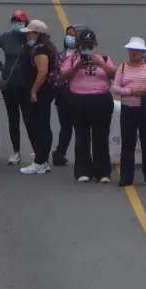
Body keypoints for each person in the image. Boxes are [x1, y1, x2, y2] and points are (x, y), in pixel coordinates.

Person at [58, 28, 116, 183]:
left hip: (101, 100)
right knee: (82, 136)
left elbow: (115, 75)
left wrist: (101, 64)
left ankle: (103, 172)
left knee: (101, 137)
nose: (87, 49)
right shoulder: (71, 60)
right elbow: (61, 77)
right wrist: (76, 68)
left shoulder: (104, 58)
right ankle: (83, 171)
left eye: (90, 46)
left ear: (95, 45)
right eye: (84, 46)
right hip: (79, 100)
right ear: (79, 46)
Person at [113, 36, 146, 188]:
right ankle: (126, 177)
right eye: (132, 51)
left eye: (138, 51)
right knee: (128, 143)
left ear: (143, 52)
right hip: (128, 108)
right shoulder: (122, 67)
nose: (135, 53)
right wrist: (130, 91)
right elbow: (115, 88)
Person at [0, 10, 30, 165]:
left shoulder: (29, 38)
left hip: (25, 85)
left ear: (25, 23)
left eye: (19, 21)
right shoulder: (6, 37)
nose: (16, 24)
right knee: (13, 119)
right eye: (14, 21)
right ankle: (16, 152)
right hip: (9, 85)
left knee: (29, 118)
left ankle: (38, 152)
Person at [19, 20, 56, 175]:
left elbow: (42, 72)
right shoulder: (43, 47)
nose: (27, 35)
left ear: (36, 34)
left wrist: (34, 91)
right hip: (43, 91)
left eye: (29, 32)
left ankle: (40, 160)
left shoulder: (41, 50)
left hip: (41, 92)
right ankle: (42, 160)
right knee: (41, 124)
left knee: (40, 125)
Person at [51, 25, 78, 166]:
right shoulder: (60, 56)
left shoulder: (81, 57)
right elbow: (54, 74)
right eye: (68, 34)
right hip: (62, 95)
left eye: (73, 35)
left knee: (79, 126)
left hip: (77, 94)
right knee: (66, 126)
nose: (70, 38)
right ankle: (60, 153)